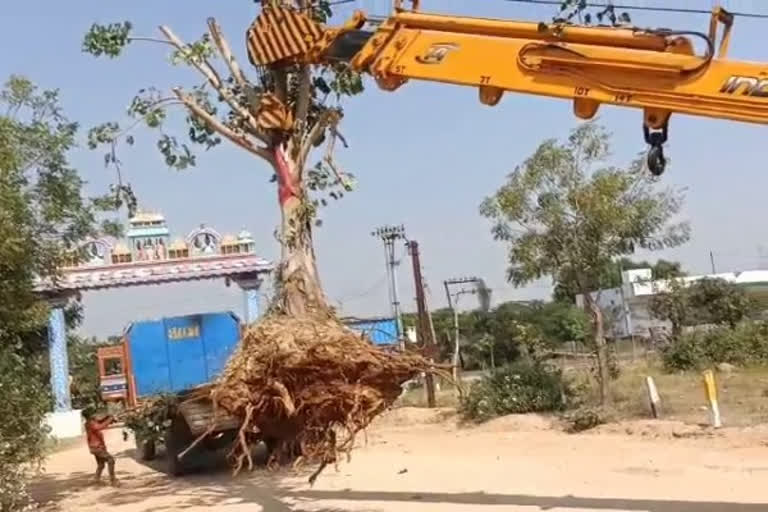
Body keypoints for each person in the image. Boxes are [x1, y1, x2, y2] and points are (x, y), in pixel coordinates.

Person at [83, 408, 118, 486]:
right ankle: (113, 480)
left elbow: (100, 422)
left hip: (95, 447)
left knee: (101, 465)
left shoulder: (90, 422)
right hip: (97, 447)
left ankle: (96, 479)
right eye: (94, 413)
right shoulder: (91, 423)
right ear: (90, 416)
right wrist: (110, 419)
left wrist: (108, 418)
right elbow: (100, 426)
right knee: (111, 460)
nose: (96, 415)